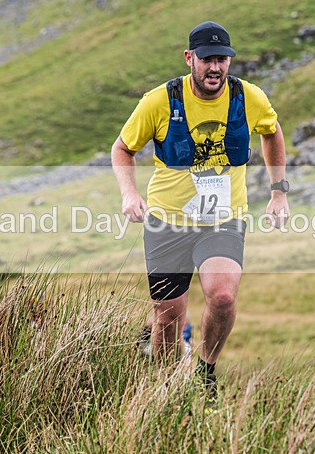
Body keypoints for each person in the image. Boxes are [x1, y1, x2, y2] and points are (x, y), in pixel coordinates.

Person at [111, 21, 290, 403]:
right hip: (167, 221)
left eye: (222, 59)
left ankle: (204, 372)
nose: (215, 68)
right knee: (168, 318)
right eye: (207, 59)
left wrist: (279, 192)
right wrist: (129, 194)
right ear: (190, 58)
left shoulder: (249, 97)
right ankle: (166, 389)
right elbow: (122, 149)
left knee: (222, 297)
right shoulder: (159, 101)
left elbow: (272, 132)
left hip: (223, 218)